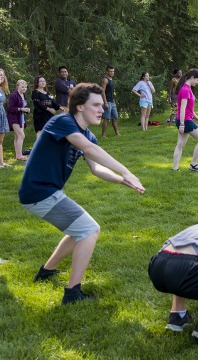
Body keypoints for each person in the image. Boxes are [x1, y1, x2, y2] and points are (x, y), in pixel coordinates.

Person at [19, 83, 145, 305]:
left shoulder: (87, 135)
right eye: (96, 105)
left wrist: (121, 180)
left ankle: (47, 271)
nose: (101, 110)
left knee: (78, 228)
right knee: (89, 229)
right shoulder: (62, 122)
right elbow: (88, 149)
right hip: (39, 192)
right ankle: (72, 293)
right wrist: (127, 170)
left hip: (47, 192)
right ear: (79, 106)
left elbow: (96, 168)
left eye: (102, 105)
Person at [172, 69, 198, 172]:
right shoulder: (186, 89)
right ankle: (193, 164)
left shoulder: (187, 88)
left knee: (180, 144)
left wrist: (195, 115)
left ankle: (175, 168)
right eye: (197, 80)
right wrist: (182, 124)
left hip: (183, 119)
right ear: (192, 77)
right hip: (185, 121)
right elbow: (182, 108)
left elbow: (188, 107)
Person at [6, 79, 30, 161]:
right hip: (14, 118)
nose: (24, 88)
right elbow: (10, 108)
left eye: (25, 87)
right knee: (21, 135)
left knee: (17, 137)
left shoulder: (23, 95)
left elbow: (23, 107)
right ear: (17, 86)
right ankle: (20, 155)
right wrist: (22, 109)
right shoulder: (13, 95)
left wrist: (26, 110)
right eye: (22, 86)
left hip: (21, 118)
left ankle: (18, 155)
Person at [101, 65, 120, 138]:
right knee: (106, 119)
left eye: (113, 71)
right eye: (110, 71)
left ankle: (117, 133)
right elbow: (102, 91)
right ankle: (104, 135)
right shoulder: (105, 80)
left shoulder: (111, 80)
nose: (112, 73)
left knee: (115, 118)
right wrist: (105, 102)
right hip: (107, 102)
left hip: (112, 102)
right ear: (107, 71)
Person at [0, 69, 11, 168]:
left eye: (2, 76)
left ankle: (1, 163)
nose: (1, 77)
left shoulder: (1, 89)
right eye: (0, 75)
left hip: (1, 115)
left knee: (0, 141)